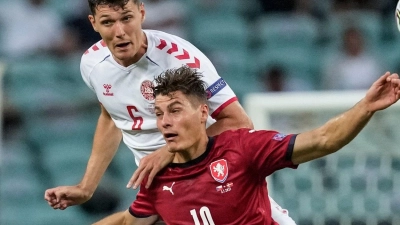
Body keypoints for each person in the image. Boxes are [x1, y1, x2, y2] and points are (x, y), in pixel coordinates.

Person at [43, 0, 296, 224]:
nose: (119, 32)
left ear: (142, 13)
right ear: (93, 23)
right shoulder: (91, 64)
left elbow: (239, 121)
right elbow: (111, 116)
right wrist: (87, 187)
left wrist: (167, 153)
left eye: (126, 18)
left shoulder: (181, 59)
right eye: (108, 22)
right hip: (160, 189)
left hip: (209, 173)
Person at [92, 66, 400, 225]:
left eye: (174, 110)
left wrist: (366, 107)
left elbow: (322, 139)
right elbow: (129, 221)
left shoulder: (242, 148)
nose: (165, 122)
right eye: (159, 114)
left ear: (203, 113)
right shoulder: (157, 179)